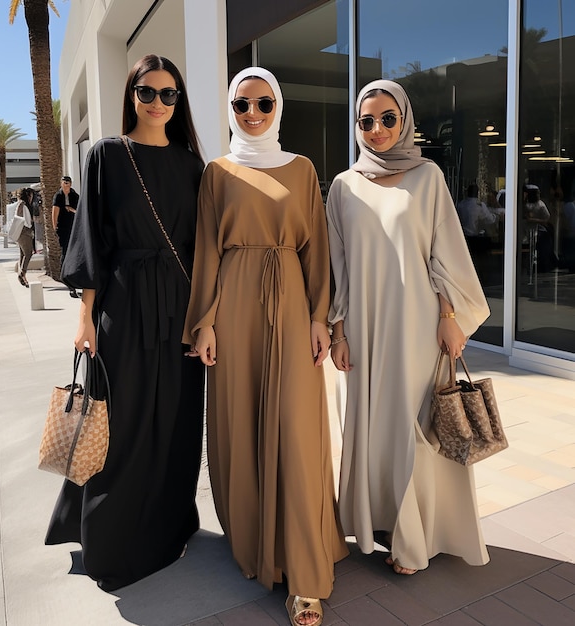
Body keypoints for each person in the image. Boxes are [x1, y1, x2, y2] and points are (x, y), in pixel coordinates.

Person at [184, 67, 348, 626]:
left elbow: (317, 251)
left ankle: (305, 577)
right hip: (234, 315)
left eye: (263, 103)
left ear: (278, 106)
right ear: (230, 108)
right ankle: (256, 543)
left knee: (298, 435)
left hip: (294, 306)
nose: (252, 114)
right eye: (242, 104)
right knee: (241, 425)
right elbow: (207, 250)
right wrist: (204, 323)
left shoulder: (302, 170)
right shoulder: (217, 172)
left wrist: (320, 317)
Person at [44, 54, 205, 592]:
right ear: (131, 94)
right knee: (124, 422)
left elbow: (203, 249)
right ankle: (112, 542)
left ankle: (169, 526)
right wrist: (86, 316)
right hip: (126, 304)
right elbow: (92, 238)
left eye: (169, 95)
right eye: (147, 92)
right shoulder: (106, 155)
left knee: (179, 421)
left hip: (180, 308)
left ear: (178, 102)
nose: (158, 103)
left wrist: (207, 319)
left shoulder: (190, 163)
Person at [326, 79, 491, 577]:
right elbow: (338, 268)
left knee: (414, 428)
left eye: (387, 119)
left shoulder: (428, 177)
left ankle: (412, 539)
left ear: (405, 120)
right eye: (366, 121)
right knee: (374, 426)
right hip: (365, 326)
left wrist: (449, 319)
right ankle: (377, 523)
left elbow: (444, 254)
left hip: (419, 325)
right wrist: (338, 331)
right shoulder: (342, 186)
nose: (376, 130)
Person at [52, 176, 80, 297]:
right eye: (64, 182)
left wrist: (71, 209)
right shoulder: (58, 196)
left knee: (74, 252)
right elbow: (55, 212)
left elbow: (79, 211)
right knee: (65, 251)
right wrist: (55, 228)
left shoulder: (75, 196)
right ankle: (66, 277)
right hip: (63, 228)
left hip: (74, 228)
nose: (66, 184)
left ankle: (73, 277)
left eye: (68, 182)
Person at [523, 185, 557, 272]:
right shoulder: (525, 204)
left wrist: (532, 220)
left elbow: (547, 218)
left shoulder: (540, 204)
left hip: (539, 230)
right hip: (526, 230)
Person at [15, 187, 36, 287]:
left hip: (21, 232)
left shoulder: (21, 204)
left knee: (23, 254)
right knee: (28, 253)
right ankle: (22, 274)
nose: (32, 198)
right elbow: (23, 220)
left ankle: (23, 276)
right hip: (24, 232)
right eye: (31, 195)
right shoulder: (23, 205)